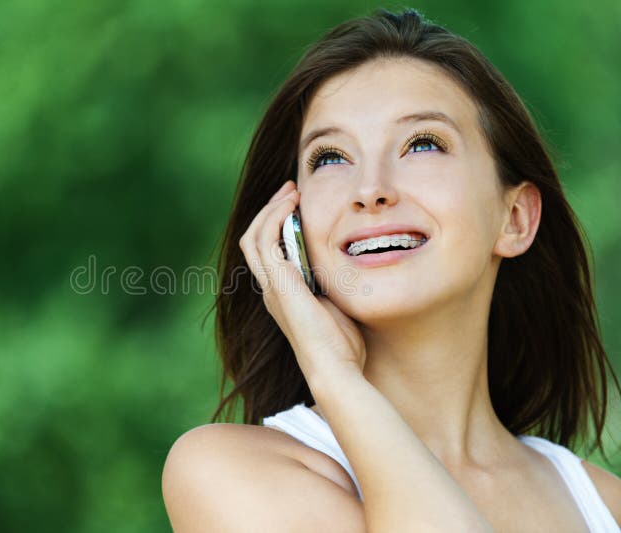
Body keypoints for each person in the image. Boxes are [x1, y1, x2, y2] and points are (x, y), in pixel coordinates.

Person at [162, 7, 621, 532]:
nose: (370, 189)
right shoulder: (227, 474)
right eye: (330, 157)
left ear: (514, 218)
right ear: (292, 225)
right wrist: (333, 374)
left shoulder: (605, 505)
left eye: (423, 144)